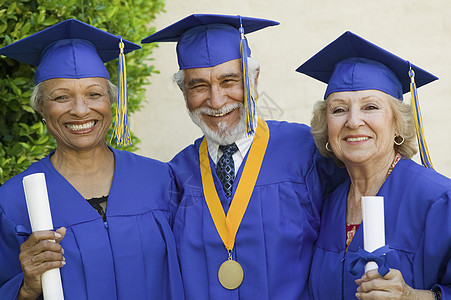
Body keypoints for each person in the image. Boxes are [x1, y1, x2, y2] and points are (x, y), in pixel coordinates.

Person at [141, 14, 344, 300]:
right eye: (198, 86)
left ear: (254, 79)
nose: (216, 100)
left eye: (229, 81)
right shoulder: (176, 175)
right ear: (183, 91)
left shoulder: (310, 151)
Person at [0, 19, 183, 300]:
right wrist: (26, 288)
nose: (80, 110)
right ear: (41, 109)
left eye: (94, 94)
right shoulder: (12, 201)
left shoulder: (162, 180)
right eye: (61, 97)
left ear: (110, 102)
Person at [296, 31, 451, 299]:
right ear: (327, 128)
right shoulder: (327, 202)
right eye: (339, 110)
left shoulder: (438, 201)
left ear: (397, 125)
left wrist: (414, 296)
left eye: (370, 107)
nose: (353, 121)